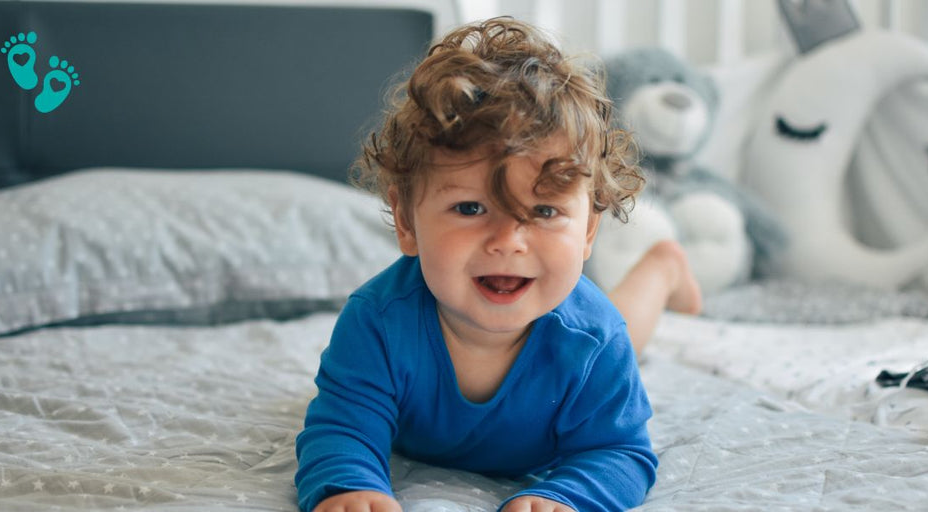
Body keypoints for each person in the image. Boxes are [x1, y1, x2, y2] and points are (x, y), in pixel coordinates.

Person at [294, 17, 701, 512]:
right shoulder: (377, 322)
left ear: (588, 229)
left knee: (625, 330)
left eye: (545, 211)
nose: (509, 241)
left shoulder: (595, 340)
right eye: (471, 208)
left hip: (581, 329)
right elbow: (342, 427)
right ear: (405, 221)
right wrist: (349, 484)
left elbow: (618, 451)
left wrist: (563, 496)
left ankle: (661, 268)